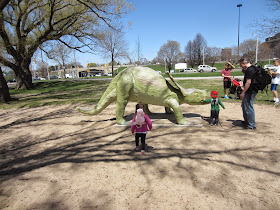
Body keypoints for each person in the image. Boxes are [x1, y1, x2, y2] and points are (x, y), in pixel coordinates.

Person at [239, 58, 257, 129]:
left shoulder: (249, 70)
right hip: (251, 90)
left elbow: (248, 82)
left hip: (250, 91)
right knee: (244, 105)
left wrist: (243, 92)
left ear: (243, 63)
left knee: (248, 107)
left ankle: (251, 124)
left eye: (241, 65)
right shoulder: (252, 68)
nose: (241, 67)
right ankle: (247, 121)